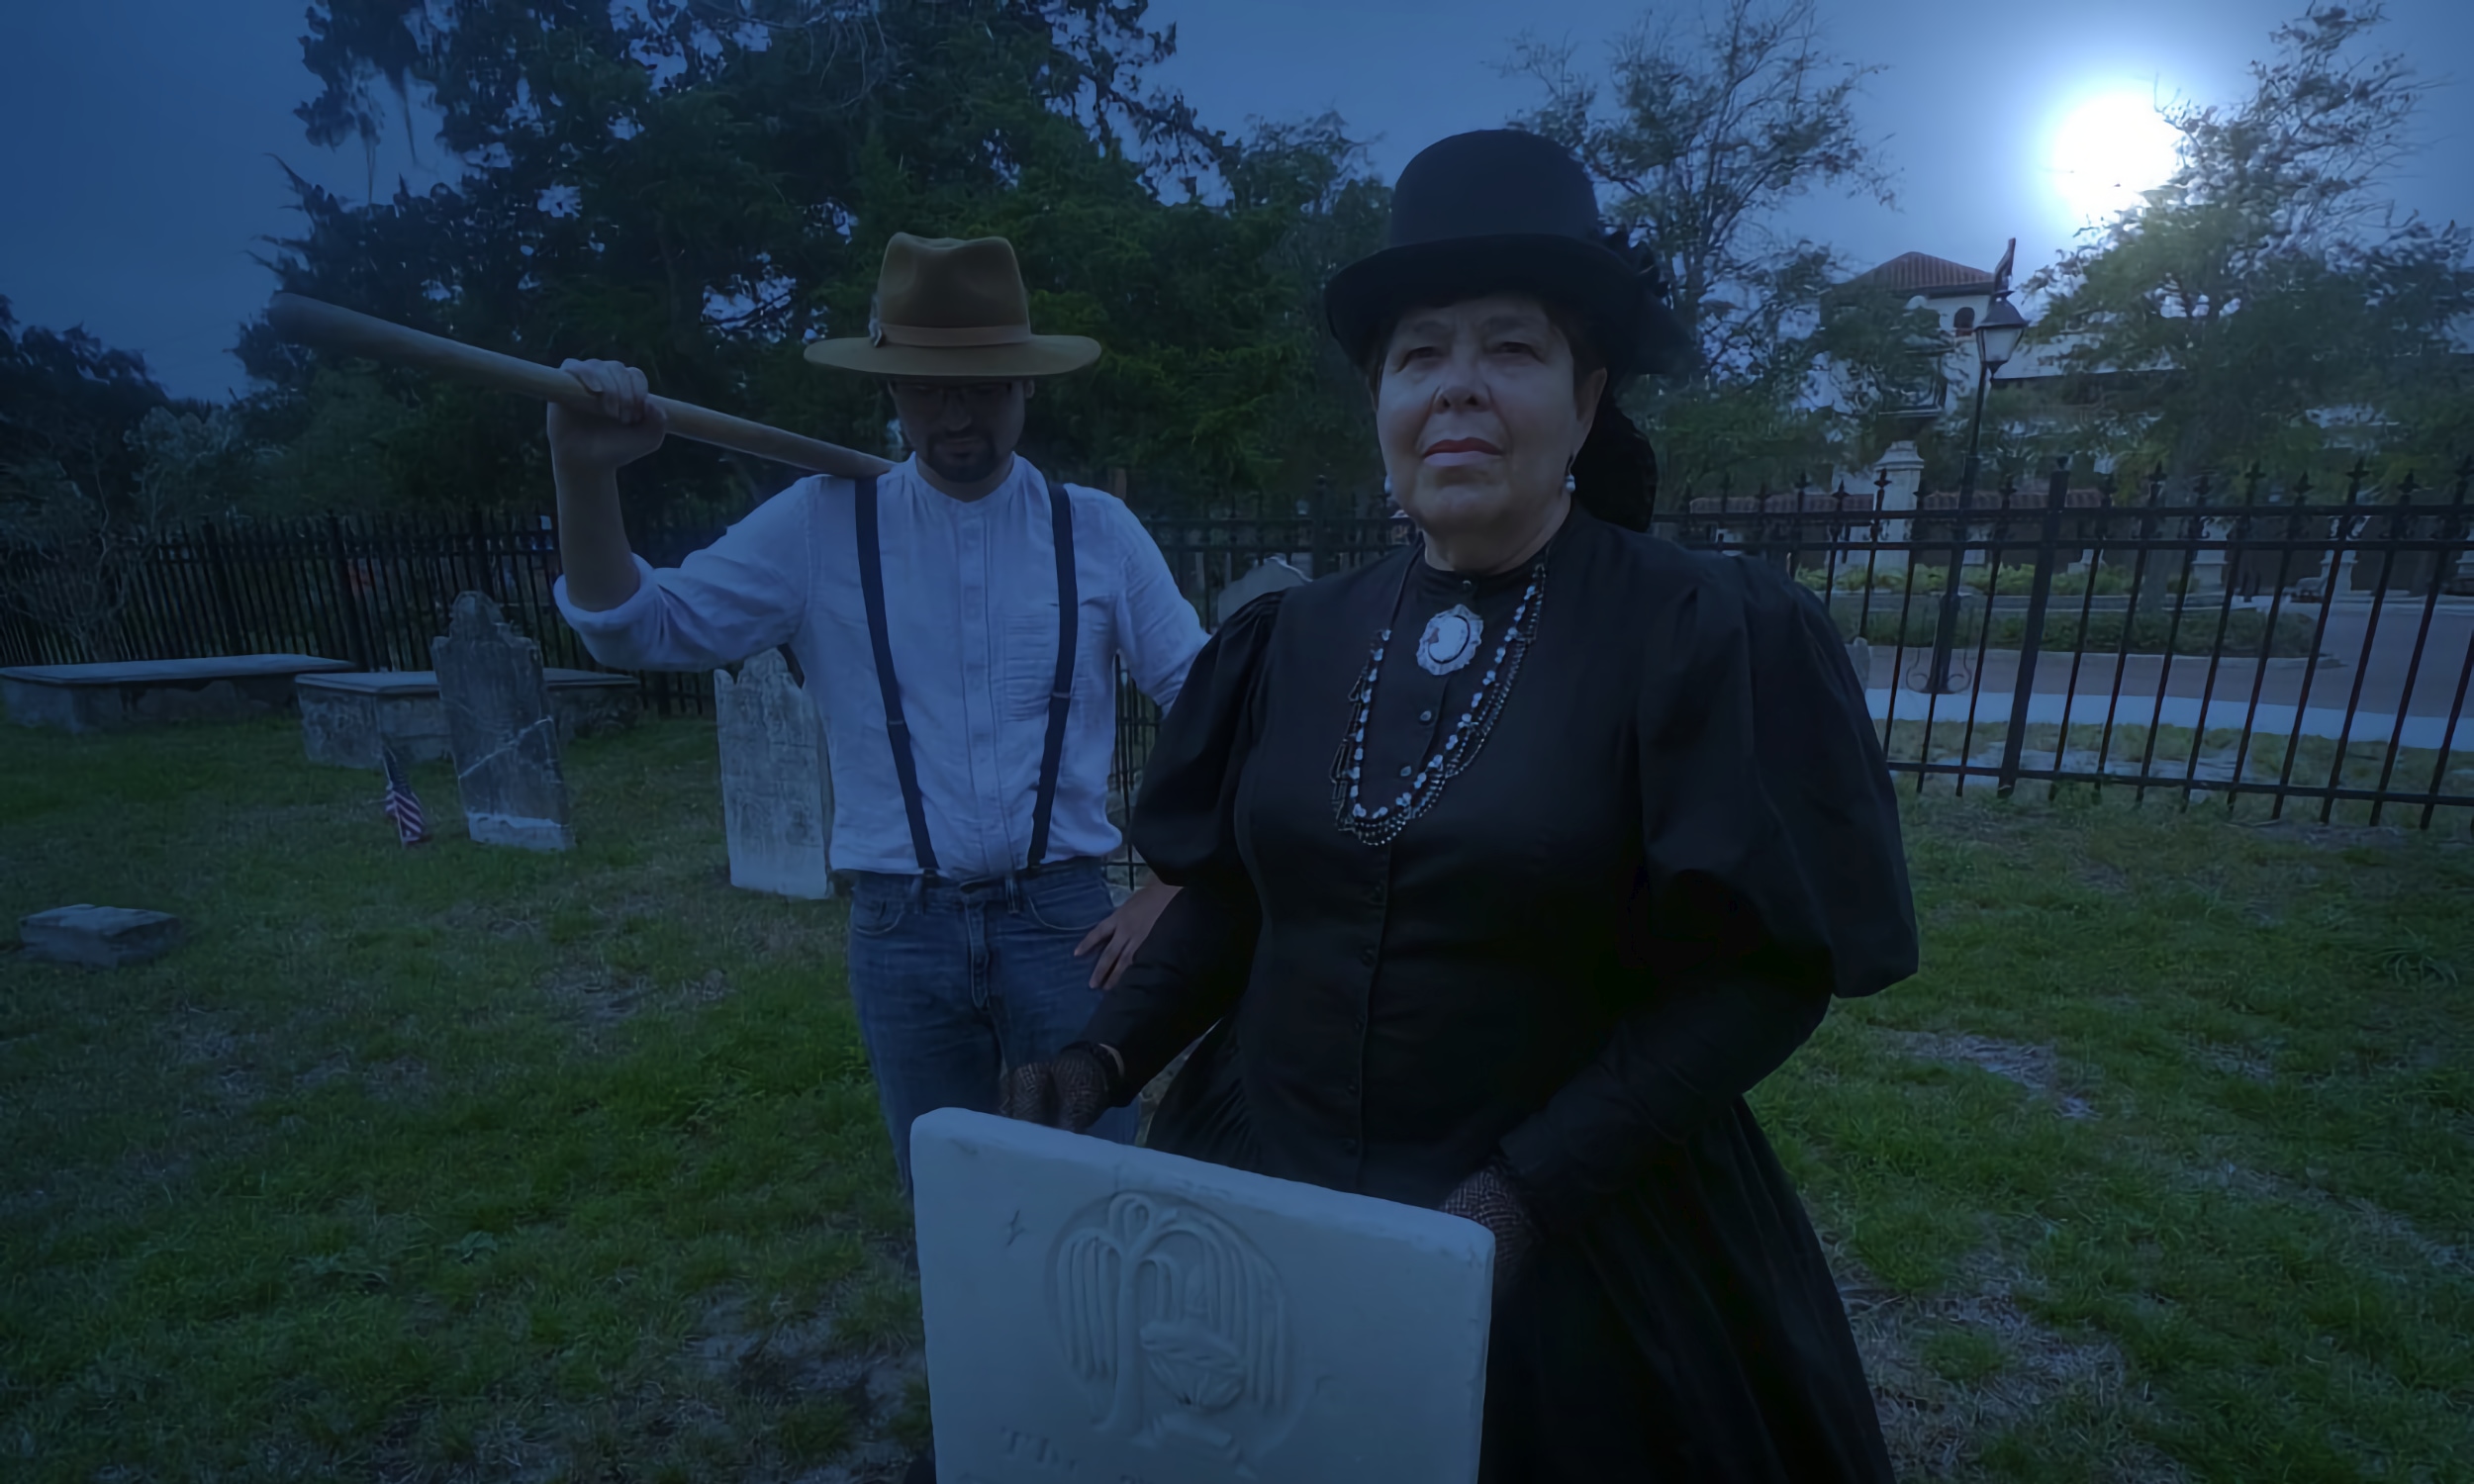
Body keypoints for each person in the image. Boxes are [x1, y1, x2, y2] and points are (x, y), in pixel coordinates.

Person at [999, 131, 1917, 1481]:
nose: (1460, 391)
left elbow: (1765, 975)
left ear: (1587, 397)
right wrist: (1101, 1060)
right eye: (1421, 355)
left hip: (1578, 1236)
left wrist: (1523, 1193)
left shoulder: (1697, 631)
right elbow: (1246, 900)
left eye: (1512, 349)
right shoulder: (1294, 638)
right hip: (1272, 1187)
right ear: (1378, 399)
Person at [547, 232, 1206, 1195]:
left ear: (1027, 386)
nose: (955, 413)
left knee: (1094, 1198)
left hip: (1064, 924)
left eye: (982, 385)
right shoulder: (821, 524)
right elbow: (635, 629)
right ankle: (978, 1345)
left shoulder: (1095, 534)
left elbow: (1211, 701)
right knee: (948, 1201)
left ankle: (1085, 1349)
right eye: (929, 387)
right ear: (890, 391)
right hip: (903, 933)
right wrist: (584, 474)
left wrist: (1180, 881)